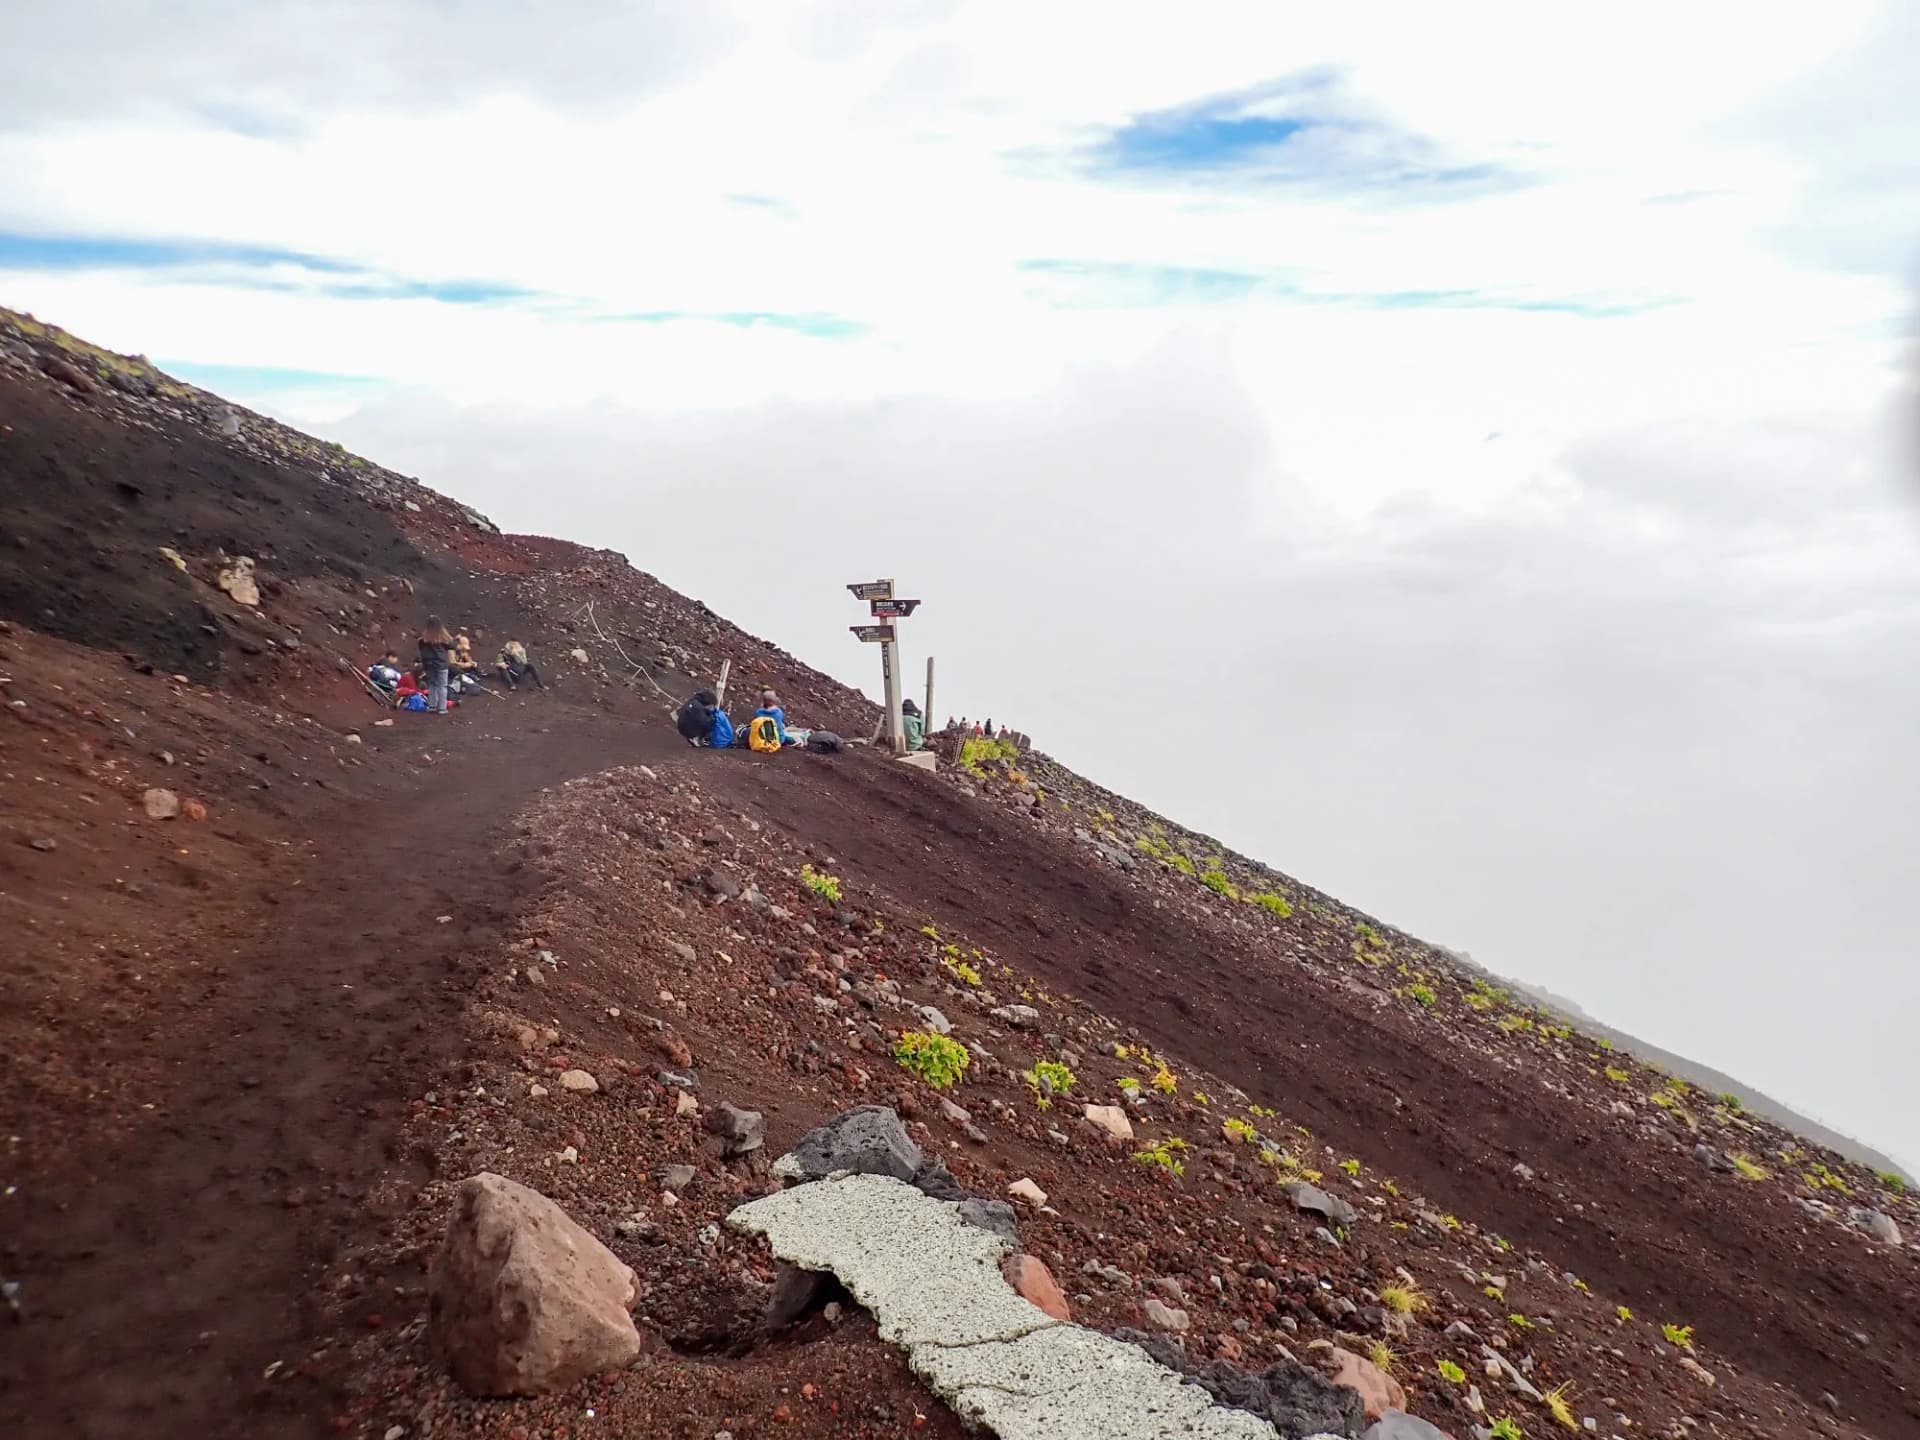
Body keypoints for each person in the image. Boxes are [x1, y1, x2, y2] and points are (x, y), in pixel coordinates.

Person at [418, 618, 454, 714]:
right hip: (441, 665)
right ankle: (442, 708)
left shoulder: (424, 639)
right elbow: (453, 645)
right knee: (442, 686)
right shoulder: (443, 639)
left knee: (432, 685)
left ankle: (431, 706)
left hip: (429, 665)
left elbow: (420, 647)